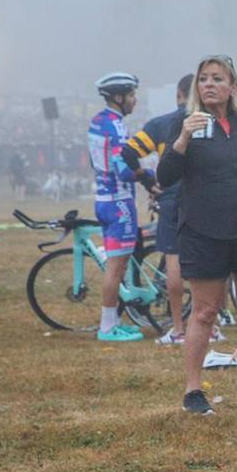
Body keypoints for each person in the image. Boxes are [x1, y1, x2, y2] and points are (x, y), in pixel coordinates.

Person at [156, 55, 237, 416]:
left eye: (217, 79)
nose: (209, 84)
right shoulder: (186, 123)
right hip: (204, 230)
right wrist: (182, 138)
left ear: (232, 87)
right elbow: (165, 177)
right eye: (203, 79)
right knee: (205, 312)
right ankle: (193, 391)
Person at [122, 74, 192, 343]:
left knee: (173, 260)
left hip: (172, 197)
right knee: (209, 262)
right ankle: (213, 325)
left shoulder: (162, 124)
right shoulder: (210, 123)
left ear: (178, 94)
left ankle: (178, 330)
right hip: (203, 200)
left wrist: (148, 181)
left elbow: (128, 152)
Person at [88, 71, 148, 342]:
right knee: (116, 267)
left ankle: (112, 322)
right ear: (119, 97)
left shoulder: (97, 122)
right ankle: (108, 327)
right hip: (119, 201)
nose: (135, 100)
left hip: (102, 199)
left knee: (116, 266)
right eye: (132, 95)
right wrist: (146, 174)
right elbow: (122, 169)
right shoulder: (116, 125)